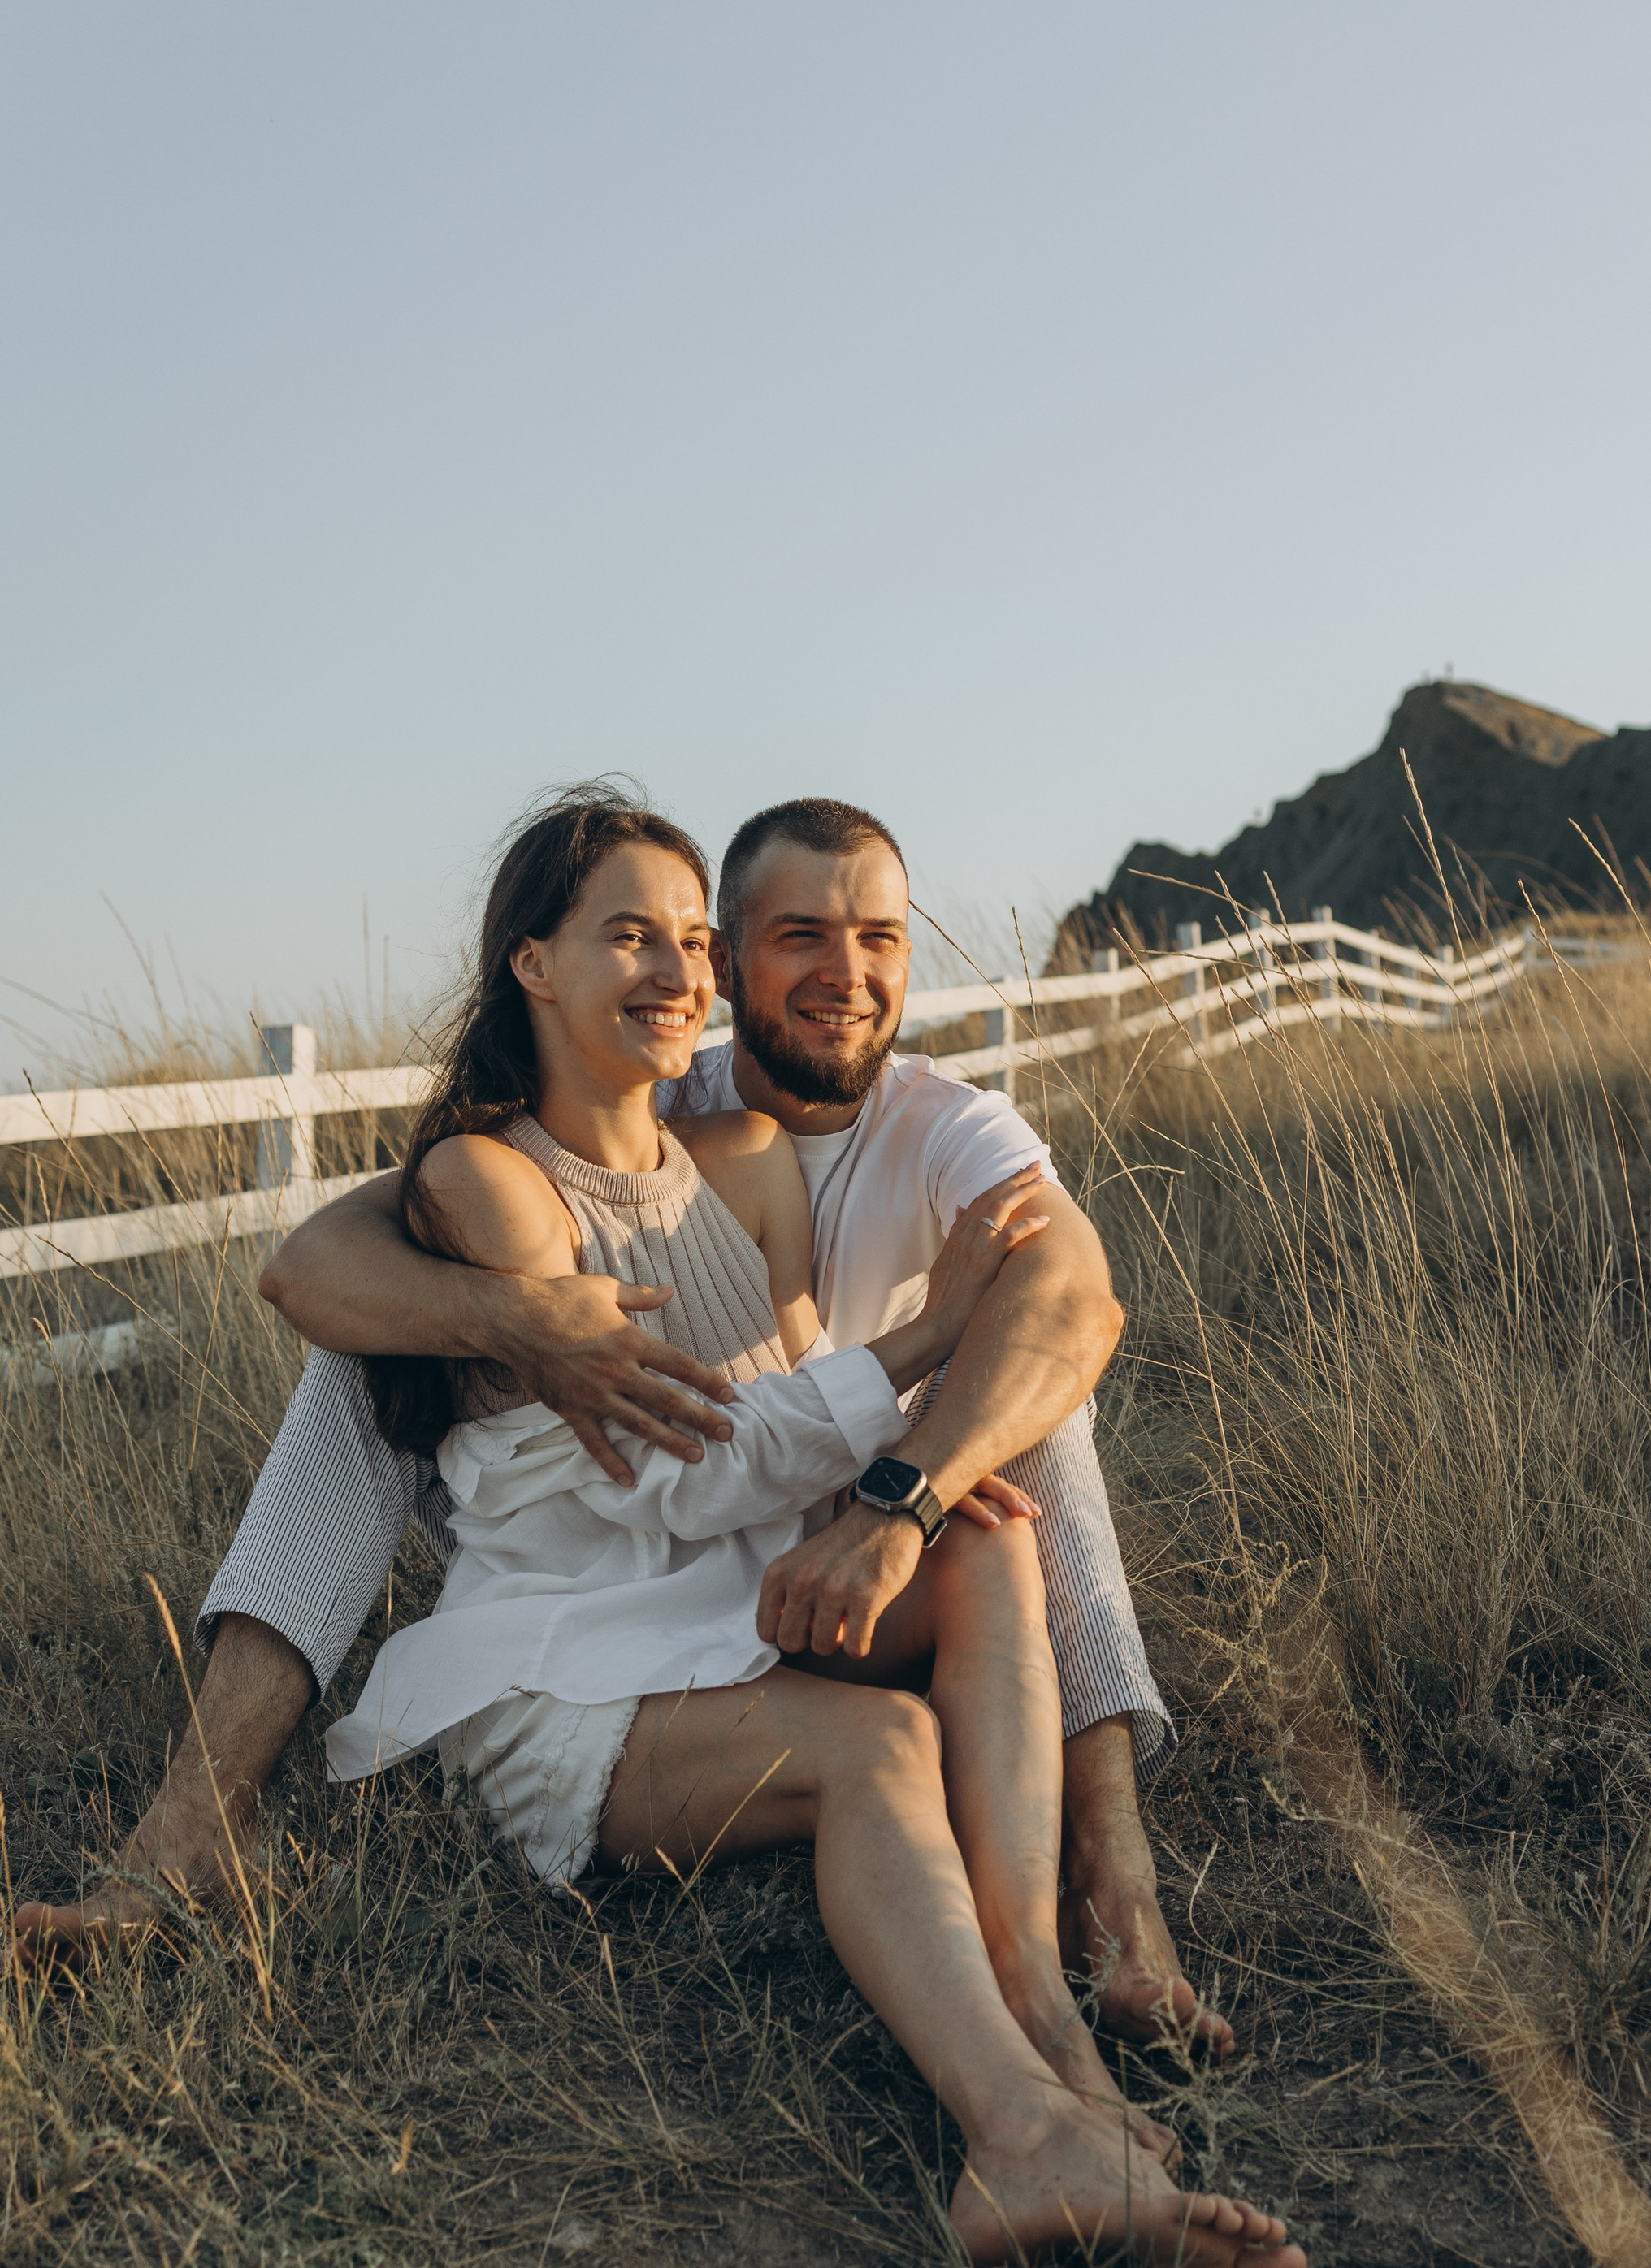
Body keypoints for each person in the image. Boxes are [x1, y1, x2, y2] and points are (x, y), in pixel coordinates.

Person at [19, 792, 1228, 2060]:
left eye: (879, 938)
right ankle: (194, 1823)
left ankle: (1113, 1878)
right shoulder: (651, 1082)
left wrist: (906, 1492)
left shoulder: (944, 1122)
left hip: (853, 1491)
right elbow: (321, 1262)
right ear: (738, 955)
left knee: (1028, 1404)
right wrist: (526, 1320)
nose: (846, 974)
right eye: (795, 935)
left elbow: (1075, 1301)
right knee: (375, 1349)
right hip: (648, 1497)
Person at [309, 793, 1301, 2268]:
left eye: (691, 940)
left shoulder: (744, 1152)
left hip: (711, 1596)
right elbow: (671, 1478)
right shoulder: (486, 1184)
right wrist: (931, 1334)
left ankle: (1040, 2010)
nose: (675, 969)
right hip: (567, 1662)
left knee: (981, 1538)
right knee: (877, 1753)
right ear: (533, 963)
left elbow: (773, 1426)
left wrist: (892, 1502)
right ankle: (1025, 2134)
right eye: (630, 934)